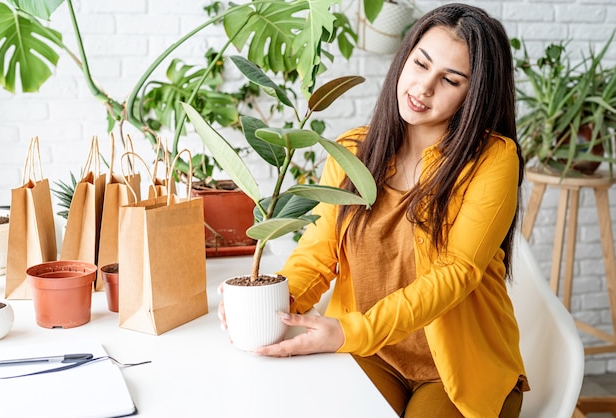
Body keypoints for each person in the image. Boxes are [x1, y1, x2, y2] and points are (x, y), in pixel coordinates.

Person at [219, 3, 529, 417]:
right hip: (370, 352)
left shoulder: (493, 158)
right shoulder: (352, 151)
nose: (423, 87)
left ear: (475, 94)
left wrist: (350, 331)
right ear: (405, 57)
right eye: (420, 64)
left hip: (455, 368)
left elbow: (459, 272)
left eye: (450, 80)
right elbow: (318, 251)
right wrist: (274, 301)